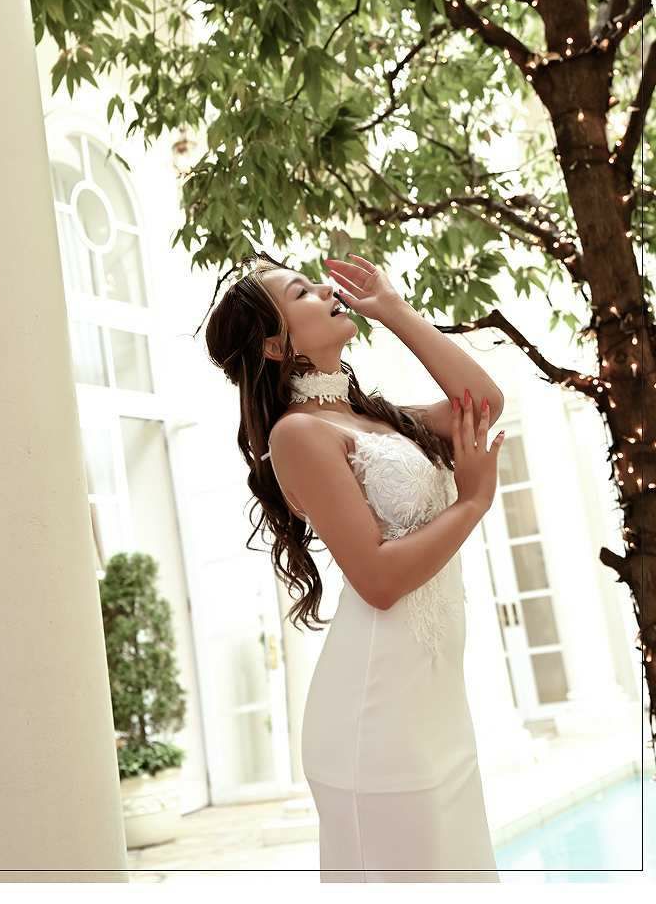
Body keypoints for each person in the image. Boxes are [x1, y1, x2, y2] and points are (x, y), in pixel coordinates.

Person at [205, 249, 505, 883]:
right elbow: (378, 580)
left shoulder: (373, 418)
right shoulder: (297, 434)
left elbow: (482, 402)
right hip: (378, 719)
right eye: (301, 293)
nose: (324, 288)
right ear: (275, 347)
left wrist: (395, 312)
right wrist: (473, 502)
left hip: (437, 709)